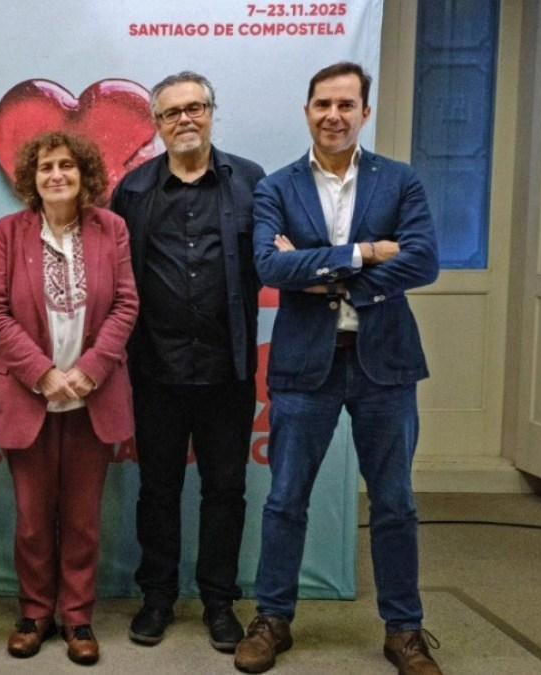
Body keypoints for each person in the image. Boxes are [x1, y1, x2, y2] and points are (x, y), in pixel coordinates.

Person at [235, 62, 442, 675]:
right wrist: (362, 253)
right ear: (307, 111)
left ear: (364, 114)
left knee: (395, 502)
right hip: (305, 367)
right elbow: (271, 270)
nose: (334, 115)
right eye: (323, 103)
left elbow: (424, 262)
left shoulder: (400, 182)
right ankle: (273, 618)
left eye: (346, 105)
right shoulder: (275, 187)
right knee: (286, 500)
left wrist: (321, 270)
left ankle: (404, 630)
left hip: (385, 365)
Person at [110, 71, 266, 652]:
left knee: (225, 490)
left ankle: (219, 602)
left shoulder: (250, 182)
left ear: (211, 112)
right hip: (155, 369)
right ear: (156, 124)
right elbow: (116, 275)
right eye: (172, 112)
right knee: (158, 489)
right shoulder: (132, 190)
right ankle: (157, 598)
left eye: (196, 107)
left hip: (228, 369)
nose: (185, 119)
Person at [0, 131, 138, 666]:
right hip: (30, 397)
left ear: (84, 174)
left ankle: (77, 617)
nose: (57, 175)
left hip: (92, 397)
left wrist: (91, 371)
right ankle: (33, 612)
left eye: (67, 166)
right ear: (31, 177)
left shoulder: (111, 230)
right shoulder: (7, 233)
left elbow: (125, 305)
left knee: (82, 519)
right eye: (46, 166)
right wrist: (44, 374)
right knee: (30, 518)